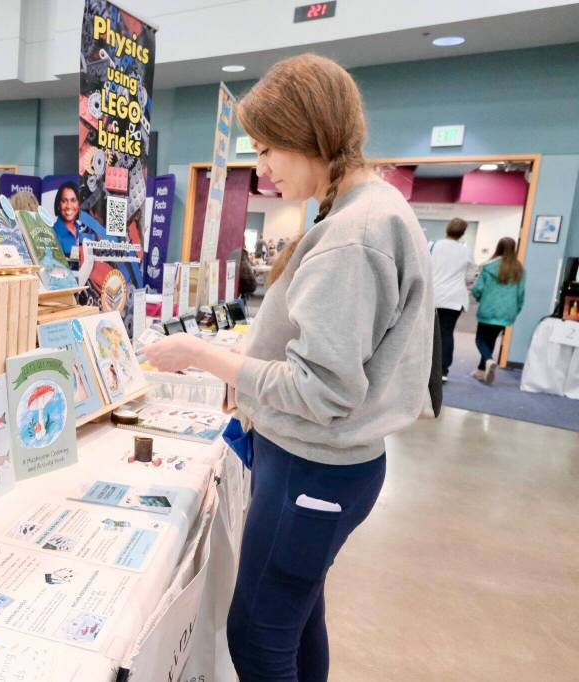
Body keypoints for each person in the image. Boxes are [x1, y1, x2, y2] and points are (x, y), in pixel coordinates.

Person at [144, 54, 432, 682]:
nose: (262, 168)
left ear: (310, 135)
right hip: (323, 463)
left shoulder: (354, 234)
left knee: (258, 639)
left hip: (313, 466)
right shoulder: (368, 207)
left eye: (268, 148)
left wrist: (202, 355)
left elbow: (320, 389)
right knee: (295, 620)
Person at [471, 237, 525, 384]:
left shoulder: (488, 266)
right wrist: (515, 310)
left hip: (488, 309)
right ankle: (482, 371)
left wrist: (480, 299)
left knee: (480, 339)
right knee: (491, 339)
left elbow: (477, 289)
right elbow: (521, 294)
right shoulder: (519, 270)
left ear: (498, 248)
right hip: (507, 312)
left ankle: (488, 360)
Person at [430, 217, 475, 381]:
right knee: (446, 333)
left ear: (447, 229)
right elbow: (470, 277)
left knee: (428, 333)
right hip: (454, 299)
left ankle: (425, 368)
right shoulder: (466, 251)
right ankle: (442, 371)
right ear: (463, 233)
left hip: (433, 296)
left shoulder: (432, 246)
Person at [52, 181, 82, 258]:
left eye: (73, 200)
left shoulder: (83, 230)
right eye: (64, 201)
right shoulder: (52, 234)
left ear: (79, 204)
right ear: (58, 205)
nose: (68, 206)